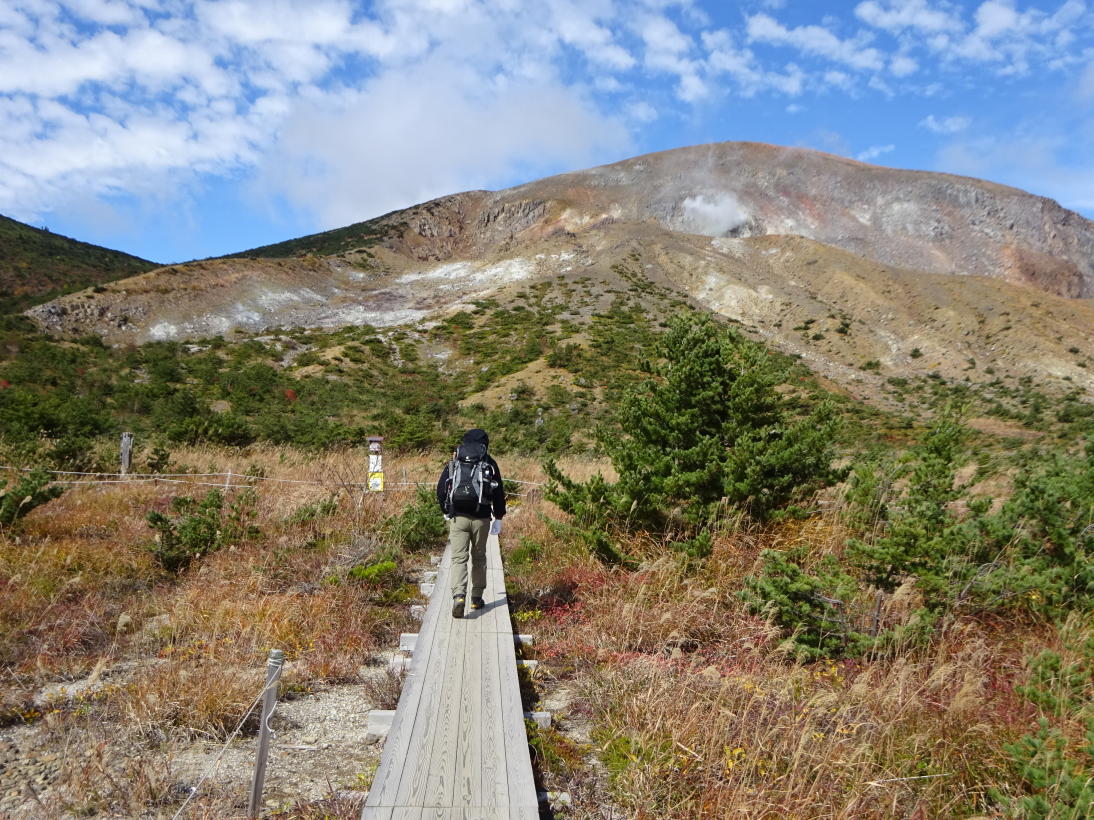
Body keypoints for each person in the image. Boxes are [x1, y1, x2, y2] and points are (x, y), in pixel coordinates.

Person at [436, 428, 506, 618]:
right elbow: (499, 493)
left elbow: (441, 489)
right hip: (482, 518)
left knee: (459, 558)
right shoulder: (489, 463)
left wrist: (446, 510)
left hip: (459, 518)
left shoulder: (456, 461)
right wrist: (498, 517)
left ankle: (459, 596)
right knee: (479, 557)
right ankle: (476, 598)